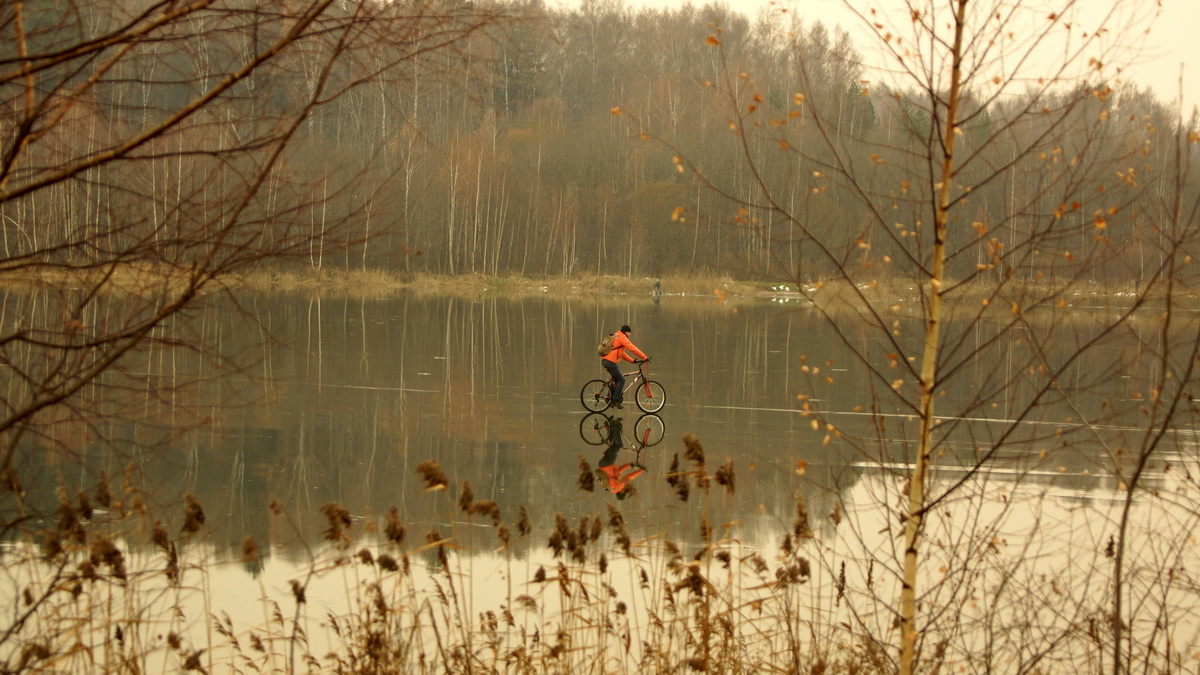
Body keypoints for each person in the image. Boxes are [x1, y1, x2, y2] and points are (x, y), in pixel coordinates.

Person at [600, 324, 648, 409]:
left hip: (606, 360)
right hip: (610, 362)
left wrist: (632, 360)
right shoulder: (622, 338)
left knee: (616, 379)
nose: (630, 335)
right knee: (621, 380)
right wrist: (644, 357)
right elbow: (633, 348)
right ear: (626, 332)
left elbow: (621, 353)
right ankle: (615, 400)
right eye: (629, 333)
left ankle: (609, 398)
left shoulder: (616, 336)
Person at [596, 416, 644, 500]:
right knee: (613, 445)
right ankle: (608, 426)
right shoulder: (611, 487)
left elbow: (628, 477)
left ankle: (614, 426)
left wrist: (640, 471)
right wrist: (629, 465)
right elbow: (618, 470)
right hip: (603, 464)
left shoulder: (618, 487)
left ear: (622, 492)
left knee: (619, 445)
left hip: (608, 464)